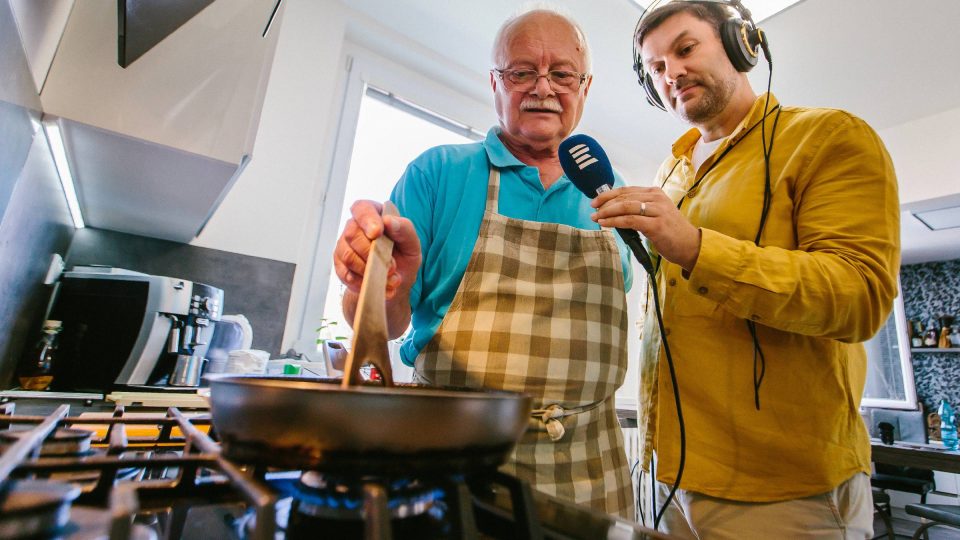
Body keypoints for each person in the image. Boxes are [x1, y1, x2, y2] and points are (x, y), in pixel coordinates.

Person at [591, 0, 900, 536]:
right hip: (668, 477)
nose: (673, 73)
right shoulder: (673, 172)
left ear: (741, 44)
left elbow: (861, 296)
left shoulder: (827, 137)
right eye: (657, 69)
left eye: (686, 49)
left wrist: (695, 247)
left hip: (782, 491)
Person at [333, 9, 635, 517]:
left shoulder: (612, 193)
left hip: (592, 471)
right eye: (521, 72)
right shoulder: (438, 173)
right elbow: (384, 322)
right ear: (494, 82)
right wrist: (380, 284)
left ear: (584, 86)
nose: (543, 87)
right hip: (455, 462)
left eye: (562, 73)